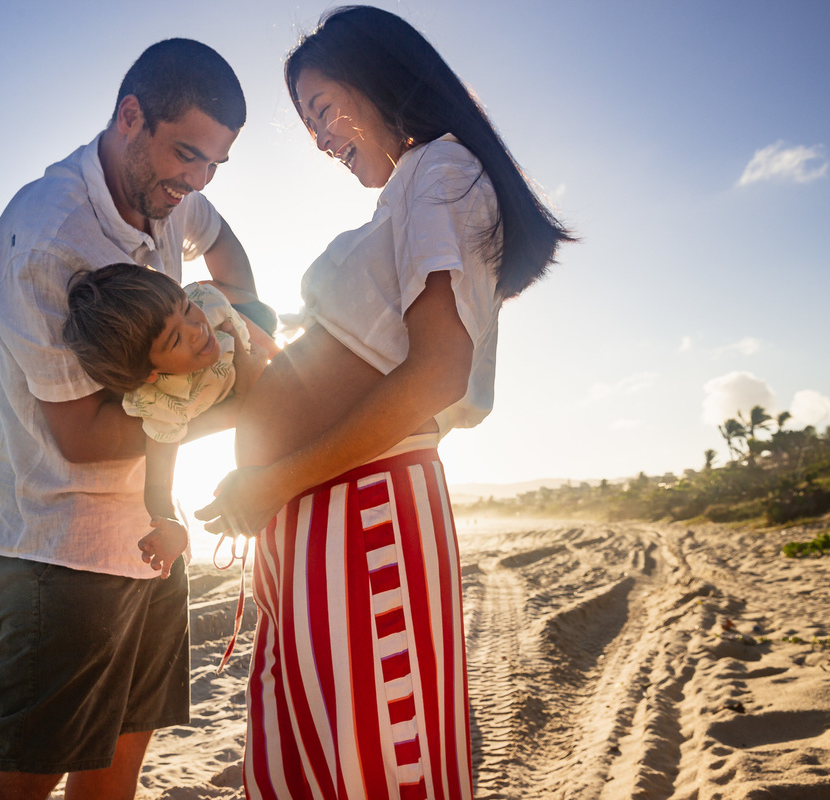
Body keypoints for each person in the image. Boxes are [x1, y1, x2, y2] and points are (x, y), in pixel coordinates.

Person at [195, 7, 575, 800]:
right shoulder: (407, 194)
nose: (321, 137)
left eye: (325, 108)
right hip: (313, 516)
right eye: (308, 123)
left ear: (382, 81)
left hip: (358, 517)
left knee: (373, 770)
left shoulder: (442, 171)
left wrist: (273, 481)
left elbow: (438, 372)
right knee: (304, 769)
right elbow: (348, 369)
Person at [0, 38, 256, 800]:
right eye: (187, 154)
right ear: (131, 117)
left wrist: (249, 324)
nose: (195, 181)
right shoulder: (46, 239)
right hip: (63, 555)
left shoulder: (173, 192)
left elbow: (223, 246)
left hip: (152, 538)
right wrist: (230, 393)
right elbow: (82, 439)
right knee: (23, 779)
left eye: (213, 166)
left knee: (119, 768)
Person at [62, 263, 271, 580]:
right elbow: (158, 485)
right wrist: (169, 522)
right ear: (150, 373)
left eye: (185, 309)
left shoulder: (207, 303)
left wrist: (271, 368)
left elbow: (268, 350)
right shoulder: (164, 403)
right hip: (250, 395)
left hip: (258, 350)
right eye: (175, 340)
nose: (195, 328)